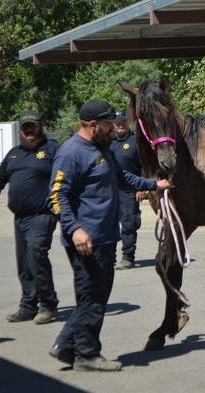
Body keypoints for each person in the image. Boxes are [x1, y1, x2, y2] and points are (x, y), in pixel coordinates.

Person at [47, 99, 172, 372]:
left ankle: (67, 345)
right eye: (107, 123)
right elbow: (57, 196)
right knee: (92, 298)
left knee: (95, 296)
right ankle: (87, 356)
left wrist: (154, 184)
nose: (114, 127)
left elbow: (123, 178)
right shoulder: (71, 153)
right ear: (93, 125)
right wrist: (75, 229)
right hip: (86, 241)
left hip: (104, 238)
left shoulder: (101, 149)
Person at [0, 110, 59, 325]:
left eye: (33, 126)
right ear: (21, 131)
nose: (29, 130)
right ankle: (28, 305)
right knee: (24, 264)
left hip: (43, 215)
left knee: (36, 254)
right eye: (26, 127)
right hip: (20, 218)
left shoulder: (52, 149)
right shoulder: (13, 154)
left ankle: (48, 305)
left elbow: (67, 177)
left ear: (41, 127)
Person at [110, 111, 143, 270]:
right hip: (108, 192)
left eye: (123, 121)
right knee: (108, 225)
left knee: (129, 225)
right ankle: (109, 258)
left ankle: (128, 258)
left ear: (128, 122)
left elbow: (145, 165)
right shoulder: (107, 141)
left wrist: (142, 187)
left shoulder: (136, 140)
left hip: (129, 191)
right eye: (117, 122)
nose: (120, 124)